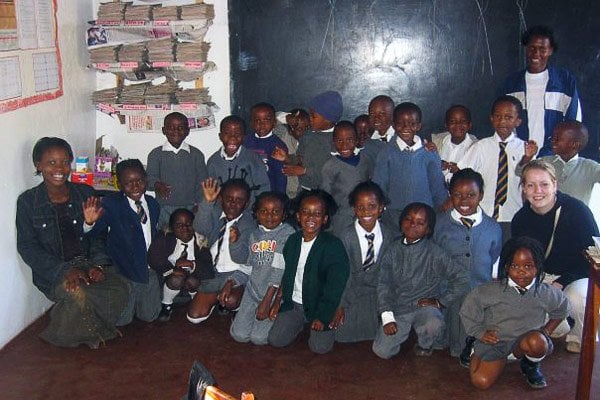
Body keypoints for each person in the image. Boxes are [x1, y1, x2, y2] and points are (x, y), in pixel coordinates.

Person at [16, 137, 128, 348]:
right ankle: (84, 332)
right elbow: (27, 247)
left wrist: (97, 264)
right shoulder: (28, 202)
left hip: (87, 261)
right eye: (51, 163)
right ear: (38, 165)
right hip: (54, 271)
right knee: (79, 293)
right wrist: (64, 271)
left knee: (121, 287)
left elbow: (97, 237)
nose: (59, 168)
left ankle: (76, 321)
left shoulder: (84, 193)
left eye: (65, 162)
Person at [511, 159, 599, 353]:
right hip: (542, 277)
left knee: (576, 297)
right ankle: (560, 324)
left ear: (555, 185)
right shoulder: (521, 219)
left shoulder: (577, 212)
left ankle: (581, 334)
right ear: (523, 189)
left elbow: (594, 259)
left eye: (544, 184)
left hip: (578, 276)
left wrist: (562, 281)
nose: (537, 191)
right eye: (530, 185)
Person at [460, 236, 570, 390]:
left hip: (524, 343)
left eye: (528, 266)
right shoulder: (491, 290)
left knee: (538, 341)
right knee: (481, 382)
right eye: (515, 266)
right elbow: (468, 309)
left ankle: (530, 364)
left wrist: (546, 331)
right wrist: (478, 332)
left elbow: (563, 308)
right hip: (497, 342)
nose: (521, 272)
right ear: (506, 267)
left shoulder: (545, 292)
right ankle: (475, 347)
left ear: (537, 267)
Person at [372, 202, 469, 359]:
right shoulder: (392, 250)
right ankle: (402, 335)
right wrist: (387, 317)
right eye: (408, 219)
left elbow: (462, 278)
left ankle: (425, 343)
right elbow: (384, 285)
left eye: (420, 222)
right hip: (399, 308)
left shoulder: (435, 253)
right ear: (401, 221)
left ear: (428, 229)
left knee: (432, 324)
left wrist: (441, 301)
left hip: (423, 308)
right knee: (382, 351)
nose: (412, 225)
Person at [268, 190, 349, 354]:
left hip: (320, 305)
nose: (310, 217)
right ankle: (298, 323)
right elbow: (287, 274)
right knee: (275, 340)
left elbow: (335, 285)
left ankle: (316, 322)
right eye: (305, 212)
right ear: (298, 216)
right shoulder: (292, 241)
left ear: (325, 219)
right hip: (295, 303)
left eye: (317, 213)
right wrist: (278, 301)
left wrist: (324, 315)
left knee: (319, 348)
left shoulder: (333, 245)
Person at [433, 168, 503, 358]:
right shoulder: (439, 225)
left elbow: (494, 256)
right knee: (446, 336)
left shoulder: (492, 228)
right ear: (450, 194)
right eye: (457, 194)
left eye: (471, 195)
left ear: (480, 195)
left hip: (479, 294)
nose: (464, 201)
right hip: (449, 293)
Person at [85, 159, 162, 325]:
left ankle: (144, 296)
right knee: (122, 321)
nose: (135, 187)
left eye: (139, 181)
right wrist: (89, 223)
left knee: (150, 315)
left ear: (146, 180)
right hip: (124, 269)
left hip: (147, 268)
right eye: (128, 183)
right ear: (119, 185)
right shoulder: (111, 205)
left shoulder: (153, 204)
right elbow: (94, 235)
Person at [458, 95, 536, 240]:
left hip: (513, 214)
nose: (502, 121)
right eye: (498, 116)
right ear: (491, 119)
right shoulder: (480, 147)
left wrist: (527, 158)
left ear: (518, 121)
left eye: (508, 117)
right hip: (484, 213)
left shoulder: (525, 149)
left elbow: (530, 179)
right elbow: (462, 174)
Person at [500, 25, 582, 156]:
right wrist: (521, 153)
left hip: (556, 158)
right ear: (526, 48)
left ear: (550, 50)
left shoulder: (565, 82)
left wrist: (550, 152)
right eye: (532, 48)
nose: (536, 53)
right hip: (520, 157)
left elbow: (574, 124)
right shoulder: (511, 84)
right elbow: (503, 123)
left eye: (542, 49)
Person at [330, 181, 396, 343]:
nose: (366, 212)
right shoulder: (346, 236)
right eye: (360, 207)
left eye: (372, 206)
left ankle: (380, 316)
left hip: (380, 292)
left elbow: (390, 275)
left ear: (381, 208)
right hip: (354, 290)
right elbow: (342, 275)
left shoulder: (389, 235)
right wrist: (340, 305)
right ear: (354, 209)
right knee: (342, 336)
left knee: (381, 332)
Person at [187, 178, 256, 323]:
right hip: (213, 272)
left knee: (231, 300)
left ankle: (237, 304)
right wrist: (207, 203)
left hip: (235, 273)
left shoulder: (249, 224)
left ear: (246, 203)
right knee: (194, 317)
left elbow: (241, 259)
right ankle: (216, 297)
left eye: (239, 200)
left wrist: (235, 242)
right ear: (220, 199)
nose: (232, 204)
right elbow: (200, 228)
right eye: (228, 198)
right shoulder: (216, 213)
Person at [230, 191, 295, 345]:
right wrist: (231, 282)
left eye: (275, 211)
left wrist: (267, 302)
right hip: (253, 291)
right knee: (239, 336)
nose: (269, 216)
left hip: (274, 294)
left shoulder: (287, 234)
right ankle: (243, 317)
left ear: (284, 214)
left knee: (259, 339)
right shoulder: (254, 235)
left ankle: (286, 321)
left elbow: (279, 270)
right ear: (256, 214)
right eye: (264, 211)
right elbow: (248, 266)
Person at [373, 102, 448, 232]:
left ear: (418, 126)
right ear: (394, 125)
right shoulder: (386, 153)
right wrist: (379, 209)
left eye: (412, 124)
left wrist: (442, 207)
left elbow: (436, 184)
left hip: (423, 215)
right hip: (395, 216)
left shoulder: (429, 153)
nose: (406, 127)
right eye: (400, 123)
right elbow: (380, 184)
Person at [147, 208, 214, 322]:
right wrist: (171, 270)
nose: (185, 228)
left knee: (193, 281)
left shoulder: (201, 241)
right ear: (172, 228)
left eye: (189, 224)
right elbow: (154, 259)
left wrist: (192, 264)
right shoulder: (165, 238)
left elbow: (209, 269)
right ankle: (166, 305)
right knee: (176, 278)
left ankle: (195, 300)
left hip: (193, 278)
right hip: (170, 278)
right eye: (179, 225)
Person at [147, 112, 209, 229]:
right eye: (171, 127)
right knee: (165, 240)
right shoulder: (156, 154)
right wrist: (156, 184)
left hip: (190, 208)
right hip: (164, 208)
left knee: (188, 239)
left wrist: (200, 205)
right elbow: (149, 179)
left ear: (187, 131)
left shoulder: (196, 154)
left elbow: (203, 183)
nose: (176, 131)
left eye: (181, 128)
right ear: (164, 130)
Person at [516, 121, 600, 206]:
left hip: (575, 218)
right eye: (553, 137)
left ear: (574, 144)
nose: (553, 140)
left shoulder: (590, 167)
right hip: (545, 217)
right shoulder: (545, 161)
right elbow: (520, 172)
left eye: (558, 139)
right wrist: (528, 157)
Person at [273, 91, 343, 191]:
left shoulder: (337, 139)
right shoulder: (308, 134)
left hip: (325, 191)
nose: (309, 119)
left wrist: (305, 171)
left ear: (328, 119)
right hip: (303, 187)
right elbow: (300, 159)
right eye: (310, 114)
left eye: (313, 116)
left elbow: (333, 170)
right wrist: (286, 158)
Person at [321, 121, 373, 236]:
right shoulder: (330, 166)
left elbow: (371, 184)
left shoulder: (365, 160)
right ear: (334, 142)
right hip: (341, 216)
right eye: (340, 141)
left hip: (364, 213)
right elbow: (326, 195)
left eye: (349, 140)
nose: (344, 145)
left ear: (356, 140)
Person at [206, 115, 271, 202]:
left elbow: (263, 187)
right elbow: (211, 191)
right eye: (227, 133)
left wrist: (255, 208)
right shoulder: (213, 162)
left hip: (248, 210)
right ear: (220, 136)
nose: (232, 137)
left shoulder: (253, 159)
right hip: (221, 211)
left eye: (237, 134)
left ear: (244, 137)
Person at [244, 102, 289, 194]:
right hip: (247, 190)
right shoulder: (245, 142)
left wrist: (279, 196)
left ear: (274, 123)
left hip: (269, 191)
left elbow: (280, 175)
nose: (261, 124)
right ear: (251, 123)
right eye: (257, 120)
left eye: (267, 120)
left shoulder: (278, 146)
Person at [430, 105, 477, 183]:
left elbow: (479, 177)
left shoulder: (476, 147)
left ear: (469, 125)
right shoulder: (436, 143)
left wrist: (460, 173)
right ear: (446, 125)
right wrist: (436, 163)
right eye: (452, 121)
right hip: (438, 193)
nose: (458, 125)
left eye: (463, 121)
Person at [361, 95, 394, 164]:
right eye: (372, 114)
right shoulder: (368, 144)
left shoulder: (402, 137)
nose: (376, 118)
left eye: (381, 114)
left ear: (392, 115)